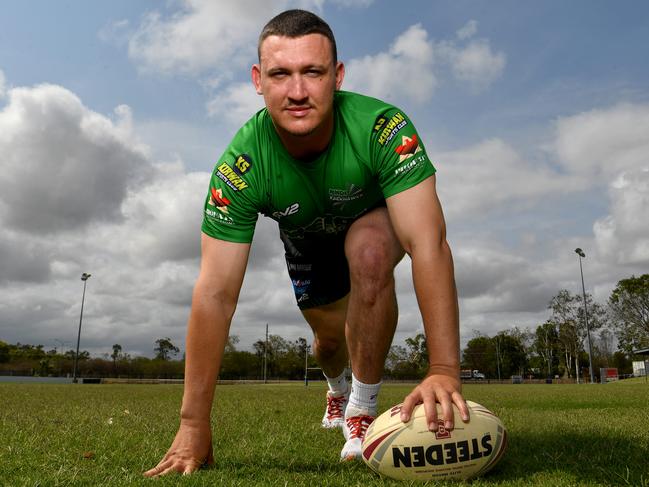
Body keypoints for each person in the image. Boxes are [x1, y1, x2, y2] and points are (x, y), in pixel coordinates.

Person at [144, 9, 469, 477]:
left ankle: (361, 411)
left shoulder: (383, 128)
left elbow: (430, 244)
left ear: (336, 76)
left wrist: (444, 369)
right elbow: (215, 293)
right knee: (327, 342)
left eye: (312, 72)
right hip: (306, 239)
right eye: (281, 74)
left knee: (371, 251)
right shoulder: (240, 166)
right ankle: (336, 388)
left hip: (369, 219)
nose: (297, 91)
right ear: (259, 80)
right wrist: (193, 422)